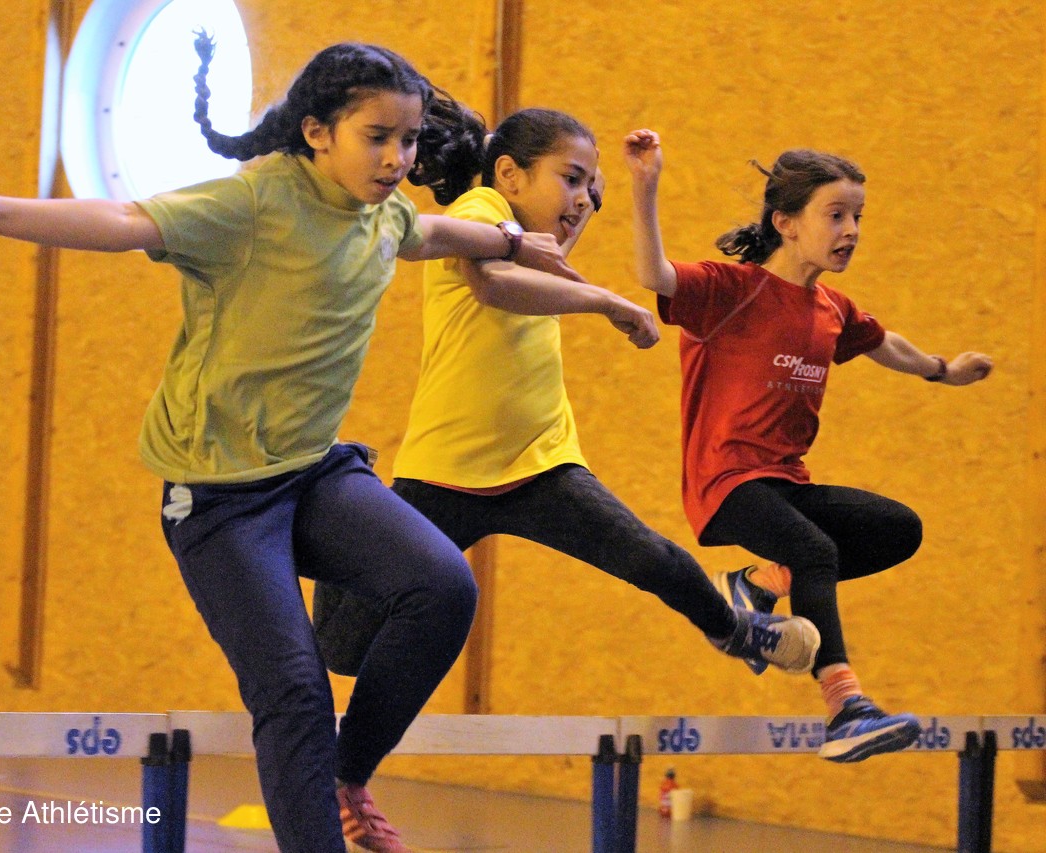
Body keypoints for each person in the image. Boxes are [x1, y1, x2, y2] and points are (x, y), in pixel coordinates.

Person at [0, 34, 583, 853]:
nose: (397, 159)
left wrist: (509, 242)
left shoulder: (382, 210)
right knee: (294, 693)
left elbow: (429, 233)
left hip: (312, 474)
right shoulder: (253, 205)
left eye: (407, 140)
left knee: (442, 586)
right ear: (317, 132)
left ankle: (346, 773)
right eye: (377, 137)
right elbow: (123, 219)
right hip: (219, 498)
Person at [312, 108, 821, 685]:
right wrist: (607, 301)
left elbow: (550, 262)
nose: (582, 201)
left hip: (540, 464)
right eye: (571, 179)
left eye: (590, 191)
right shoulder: (481, 210)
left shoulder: (537, 249)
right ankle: (342, 487)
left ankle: (736, 629)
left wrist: (639, 186)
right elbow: (493, 285)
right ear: (509, 175)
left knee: (650, 557)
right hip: (445, 472)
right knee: (344, 649)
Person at [623, 128, 993, 762]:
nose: (851, 230)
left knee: (897, 529)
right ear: (786, 223)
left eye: (858, 217)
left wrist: (943, 371)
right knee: (815, 549)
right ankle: (846, 708)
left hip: (785, 483)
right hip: (725, 481)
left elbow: (885, 344)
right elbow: (652, 273)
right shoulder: (728, 291)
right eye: (836, 215)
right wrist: (645, 187)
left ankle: (758, 585)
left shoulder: (831, 309)